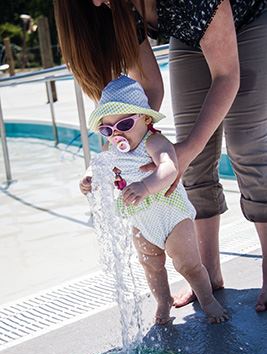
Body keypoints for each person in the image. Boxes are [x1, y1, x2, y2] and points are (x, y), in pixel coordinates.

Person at [54, 0, 267, 312]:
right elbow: (150, 90)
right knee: (190, 160)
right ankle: (205, 273)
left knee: (246, 146)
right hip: (192, 34)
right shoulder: (121, 8)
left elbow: (227, 75)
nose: (96, 3)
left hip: (249, 20)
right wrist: (131, 139)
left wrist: (184, 152)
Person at [80, 74, 228, 324]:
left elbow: (170, 168)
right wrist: (89, 178)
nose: (117, 135)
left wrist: (146, 186)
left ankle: (207, 299)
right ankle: (163, 302)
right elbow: (99, 167)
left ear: (145, 118)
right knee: (150, 265)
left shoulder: (154, 141)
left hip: (172, 215)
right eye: (108, 129)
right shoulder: (112, 151)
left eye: (124, 125)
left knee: (188, 265)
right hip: (141, 220)